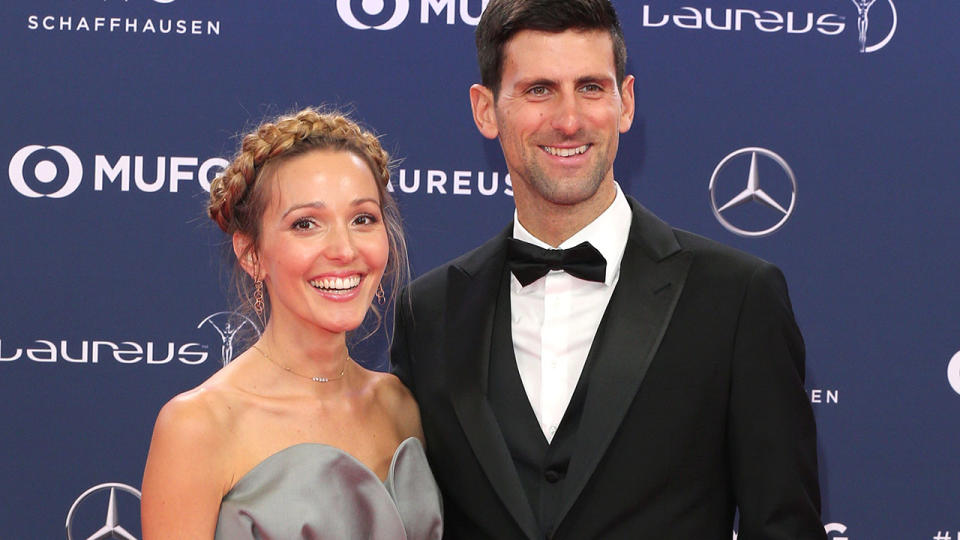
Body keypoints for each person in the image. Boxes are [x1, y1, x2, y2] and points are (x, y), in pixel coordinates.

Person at [390, 1, 825, 538]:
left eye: (591, 87)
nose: (569, 120)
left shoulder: (736, 298)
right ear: (485, 110)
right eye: (539, 90)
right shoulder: (428, 313)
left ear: (626, 102)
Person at [141, 108, 442, 539]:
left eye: (363, 219)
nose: (343, 249)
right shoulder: (198, 427)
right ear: (251, 254)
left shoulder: (400, 406)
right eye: (306, 224)